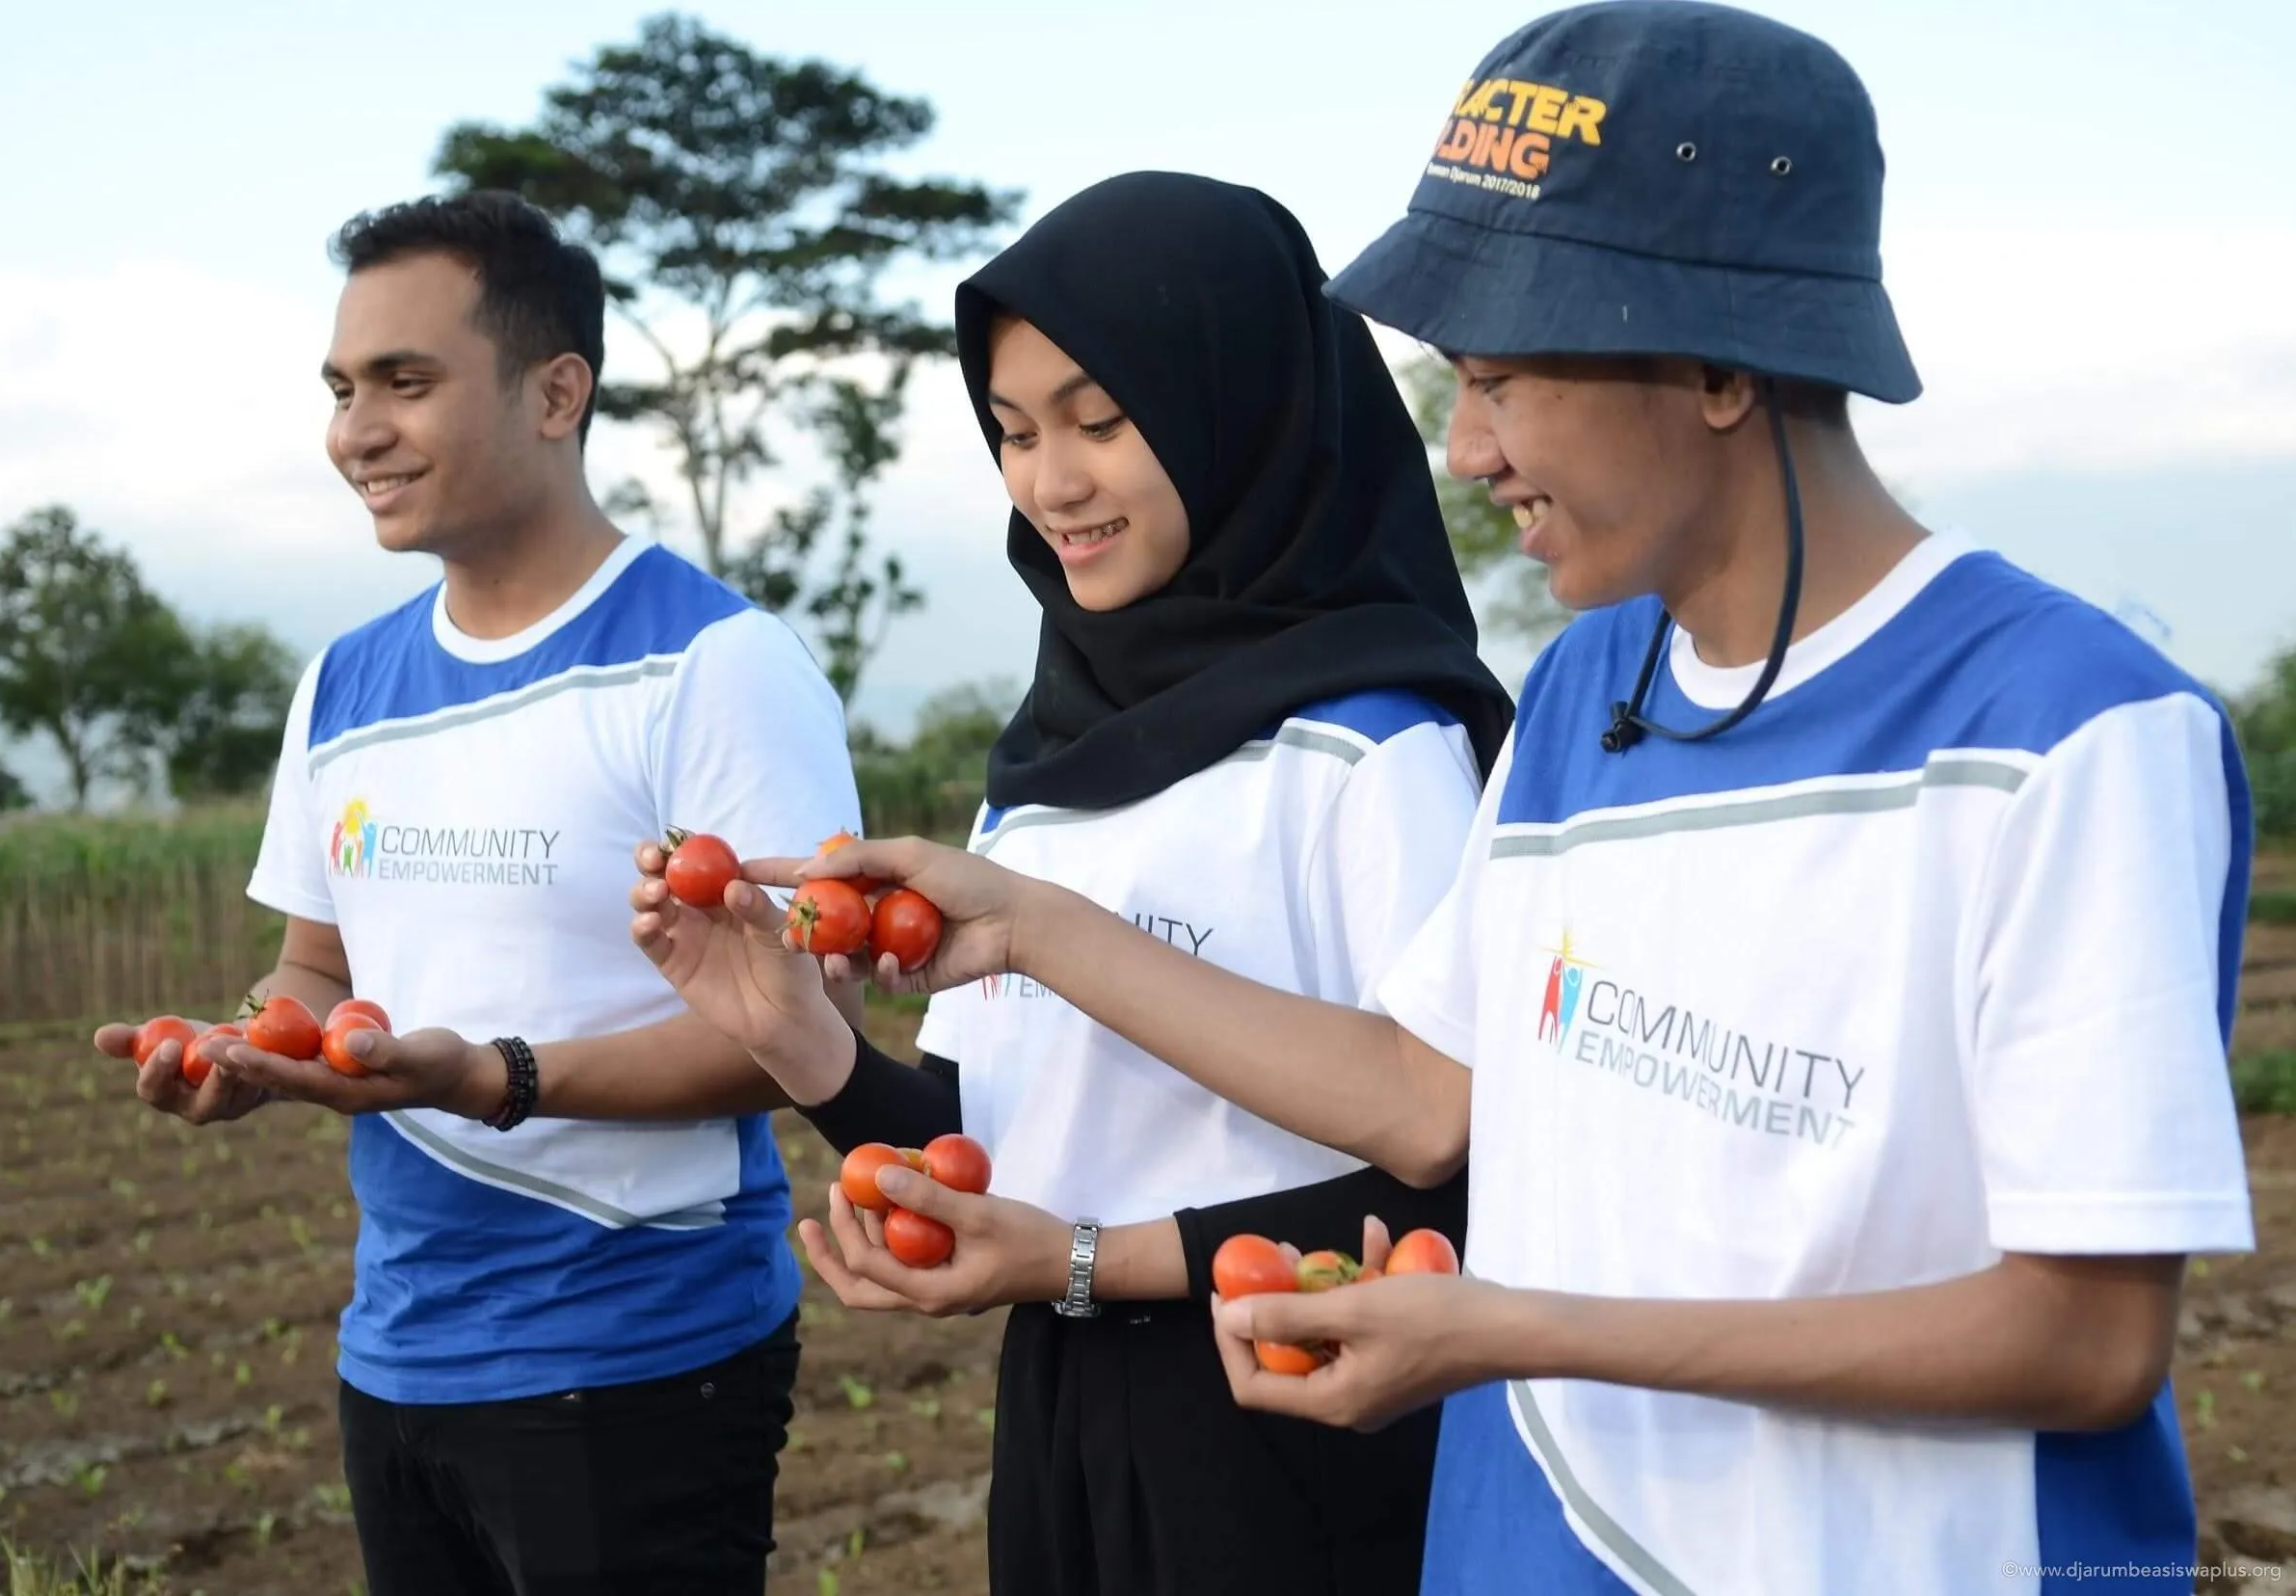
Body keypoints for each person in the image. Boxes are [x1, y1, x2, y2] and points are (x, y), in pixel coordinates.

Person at [680, 7, 2261, 1594]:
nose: (1472, 450)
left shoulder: (2070, 735)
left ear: (1718, 363)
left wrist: (1499, 1325)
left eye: (1501, 381)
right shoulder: (1588, 695)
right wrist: (1025, 925)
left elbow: (2083, 1339)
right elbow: (1422, 1094)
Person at [625, 170, 1515, 1596]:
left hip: (1304, 1417)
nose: (1051, 482)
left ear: (1247, 411)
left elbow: (1453, 1175)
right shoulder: (1047, 763)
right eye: (1014, 431)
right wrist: (795, 1037)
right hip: (1061, 1410)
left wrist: (1088, 1257)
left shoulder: (1372, 750)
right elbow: (991, 1131)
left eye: (1103, 422)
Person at [94, 189, 865, 1595]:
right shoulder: (344, 684)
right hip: (395, 1352)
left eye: (406, 381)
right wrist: (247, 1047)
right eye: (339, 389)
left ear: (556, 391)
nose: (356, 432)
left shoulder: (715, 665)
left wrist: (490, 1076)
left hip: (639, 1357)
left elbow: (799, 1038)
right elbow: (314, 969)